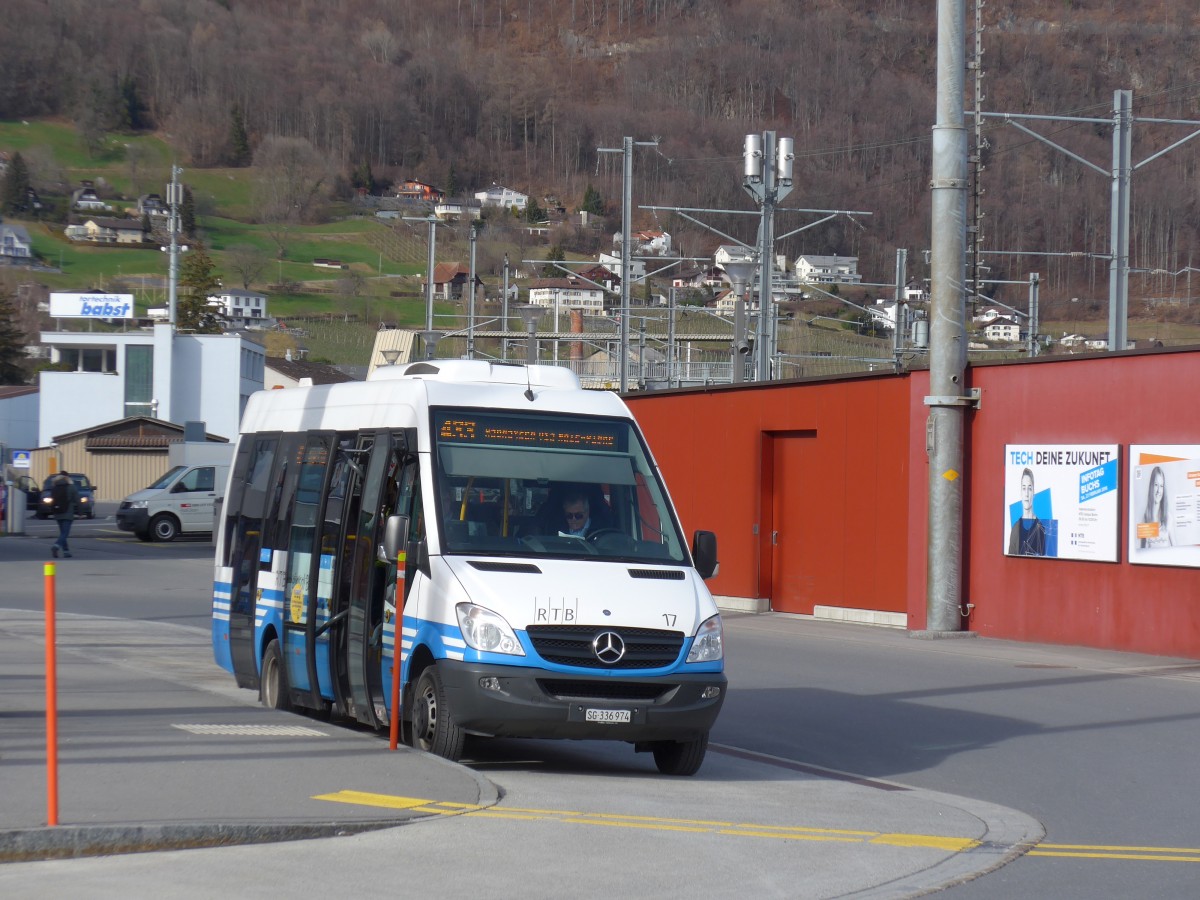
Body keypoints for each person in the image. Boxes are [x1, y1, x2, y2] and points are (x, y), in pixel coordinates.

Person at [1007, 467, 1046, 556]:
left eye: (1030, 488)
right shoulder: (1015, 529)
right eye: (1024, 488)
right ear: (1021, 492)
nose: (1027, 494)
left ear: (1034, 493)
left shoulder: (1042, 529)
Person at [1139, 465, 1172, 549]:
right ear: (1151, 486)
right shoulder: (1145, 518)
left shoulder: (1168, 517)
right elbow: (1142, 550)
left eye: (1161, 486)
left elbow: (1176, 548)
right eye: (1156, 485)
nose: (1158, 491)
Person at [50, 472, 80, 559]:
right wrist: (80, 512)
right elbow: (78, 500)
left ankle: (66, 551)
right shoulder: (71, 487)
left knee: (62, 533)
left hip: (58, 512)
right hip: (68, 513)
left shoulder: (54, 487)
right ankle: (56, 546)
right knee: (65, 533)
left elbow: (52, 500)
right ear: (67, 478)